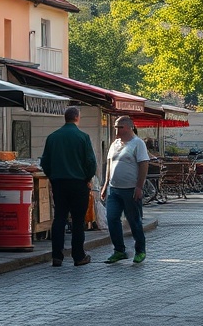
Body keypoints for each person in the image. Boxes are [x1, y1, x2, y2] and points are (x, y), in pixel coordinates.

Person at [39, 106, 97, 267]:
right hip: (78, 183)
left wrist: (52, 176)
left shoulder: (53, 137)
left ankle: (57, 256)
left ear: (65, 118)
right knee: (78, 221)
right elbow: (91, 162)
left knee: (59, 218)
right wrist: (88, 177)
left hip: (59, 182)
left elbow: (44, 161)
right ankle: (78, 256)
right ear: (77, 118)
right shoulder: (83, 137)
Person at [100, 116, 149, 264]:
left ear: (129, 127)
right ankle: (119, 250)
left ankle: (140, 250)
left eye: (120, 127)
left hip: (130, 190)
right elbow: (109, 164)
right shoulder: (115, 144)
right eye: (116, 127)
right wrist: (105, 184)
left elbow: (143, 165)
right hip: (114, 190)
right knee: (112, 218)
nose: (117, 130)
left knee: (134, 221)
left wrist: (139, 186)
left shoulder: (137, 144)